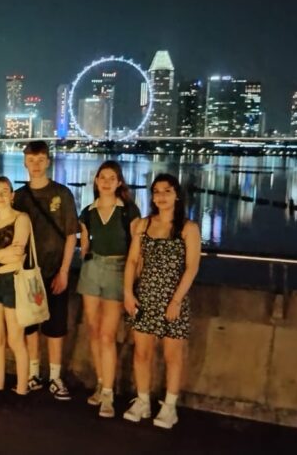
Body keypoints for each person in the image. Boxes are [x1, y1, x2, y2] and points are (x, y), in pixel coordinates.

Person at [122, 173, 200, 429]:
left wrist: (176, 300)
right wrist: (128, 292)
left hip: (173, 298)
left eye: (167, 191)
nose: (161, 196)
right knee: (142, 353)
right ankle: (143, 400)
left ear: (177, 194)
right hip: (145, 295)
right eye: (156, 191)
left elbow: (191, 268)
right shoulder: (143, 225)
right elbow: (133, 261)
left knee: (172, 356)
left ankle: (169, 407)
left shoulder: (188, 228)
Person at [12, 140, 78, 401]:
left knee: (55, 326)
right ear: (25, 163)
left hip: (54, 270)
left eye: (41, 160)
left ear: (48, 161)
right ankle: (33, 373)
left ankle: (55, 376)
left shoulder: (62, 194)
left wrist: (64, 270)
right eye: (31, 160)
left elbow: (72, 235)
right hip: (27, 271)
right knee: (29, 325)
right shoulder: (19, 196)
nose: (36, 165)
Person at [78, 161, 142, 417]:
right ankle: (100, 383)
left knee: (107, 335)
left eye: (111, 177)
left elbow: (138, 250)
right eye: (101, 177)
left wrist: (134, 280)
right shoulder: (88, 212)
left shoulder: (129, 211)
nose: (105, 181)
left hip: (118, 269)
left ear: (119, 182)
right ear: (96, 181)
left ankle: (108, 394)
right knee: (93, 331)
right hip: (92, 269)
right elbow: (84, 247)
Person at [0, 176, 33, 398]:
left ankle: (22, 388)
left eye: (4, 191)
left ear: (12, 195)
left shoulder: (22, 219)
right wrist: (2, 254)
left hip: (13, 283)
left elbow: (18, 258)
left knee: (15, 339)